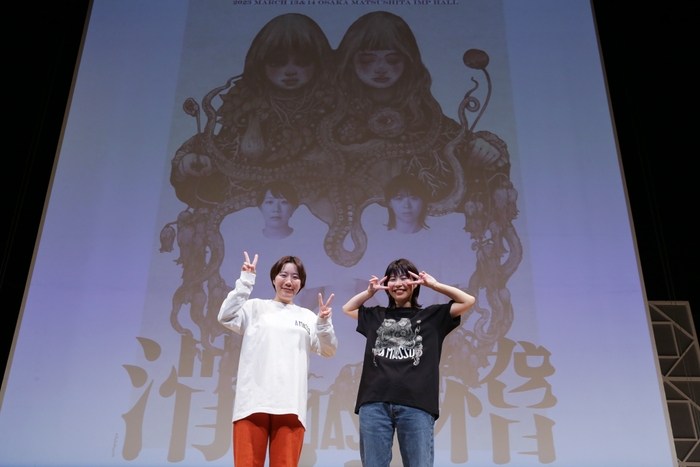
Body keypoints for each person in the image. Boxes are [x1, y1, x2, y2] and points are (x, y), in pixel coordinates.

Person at [342, 258, 475, 467]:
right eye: (392, 279)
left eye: (404, 278)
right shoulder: (376, 315)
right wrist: (369, 292)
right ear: (387, 285)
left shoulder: (432, 316)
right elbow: (348, 308)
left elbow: (467, 301)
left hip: (417, 404)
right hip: (375, 403)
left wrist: (435, 285)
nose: (398, 283)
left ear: (415, 283)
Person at [218, 252, 337, 467]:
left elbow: (328, 350)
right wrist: (245, 281)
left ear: (301, 284)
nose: (289, 281)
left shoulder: (308, 317)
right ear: (274, 279)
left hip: (290, 405)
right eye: (283, 275)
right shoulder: (255, 308)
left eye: (295, 277)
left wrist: (323, 324)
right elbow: (225, 316)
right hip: (252, 402)